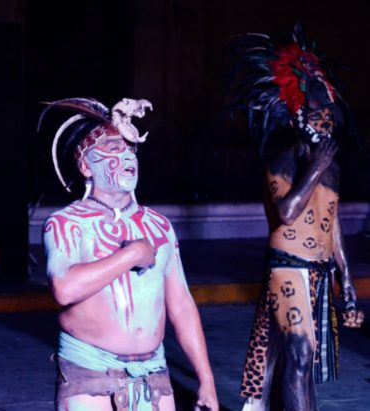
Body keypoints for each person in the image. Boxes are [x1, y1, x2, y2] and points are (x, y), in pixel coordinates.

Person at [40, 97, 218, 411]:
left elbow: (182, 306)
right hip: (89, 374)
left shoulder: (159, 226)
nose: (126, 156)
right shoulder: (66, 223)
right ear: (85, 166)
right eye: (113, 147)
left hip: (153, 375)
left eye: (130, 148)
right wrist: (131, 255)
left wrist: (206, 379)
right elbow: (64, 289)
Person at [227, 23, 365, 410]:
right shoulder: (283, 151)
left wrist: (346, 277)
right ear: (297, 112)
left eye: (329, 111)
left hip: (320, 270)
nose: (326, 118)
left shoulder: (330, 163)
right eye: (318, 111)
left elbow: (331, 221)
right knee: (301, 356)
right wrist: (315, 170)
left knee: (304, 361)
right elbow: (286, 213)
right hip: (288, 265)